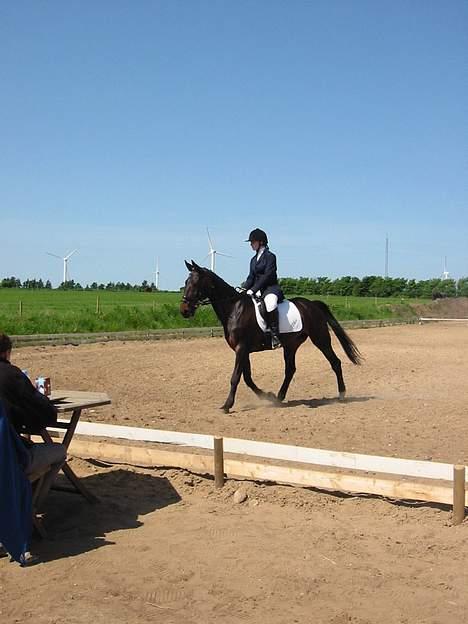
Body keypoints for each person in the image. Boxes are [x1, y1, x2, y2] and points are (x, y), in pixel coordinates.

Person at [0, 333, 66, 476]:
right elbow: (46, 413)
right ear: (6, 353)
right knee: (59, 450)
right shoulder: (11, 374)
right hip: (9, 457)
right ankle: (36, 496)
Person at [244, 228, 284, 349]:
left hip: (271, 289)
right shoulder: (253, 260)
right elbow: (251, 277)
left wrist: (253, 289)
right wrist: (244, 288)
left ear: (261, 242)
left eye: (253, 241)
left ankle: (275, 336)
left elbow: (267, 276)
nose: (251, 244)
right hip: (258, 290)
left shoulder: (270, 257)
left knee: (270, 304)